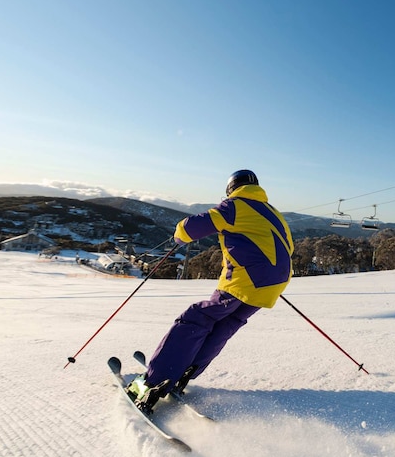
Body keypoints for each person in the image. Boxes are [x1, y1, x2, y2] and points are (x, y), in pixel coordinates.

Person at [126, 169, 294, 413]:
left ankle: (154, 382)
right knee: (226, 323)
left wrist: (179, 235)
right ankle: (184, 371)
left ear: (231, 188)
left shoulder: (235, 206)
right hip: (274, 283)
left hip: (246, 279)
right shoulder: (274, 213)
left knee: (197, 318)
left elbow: (191, 227)